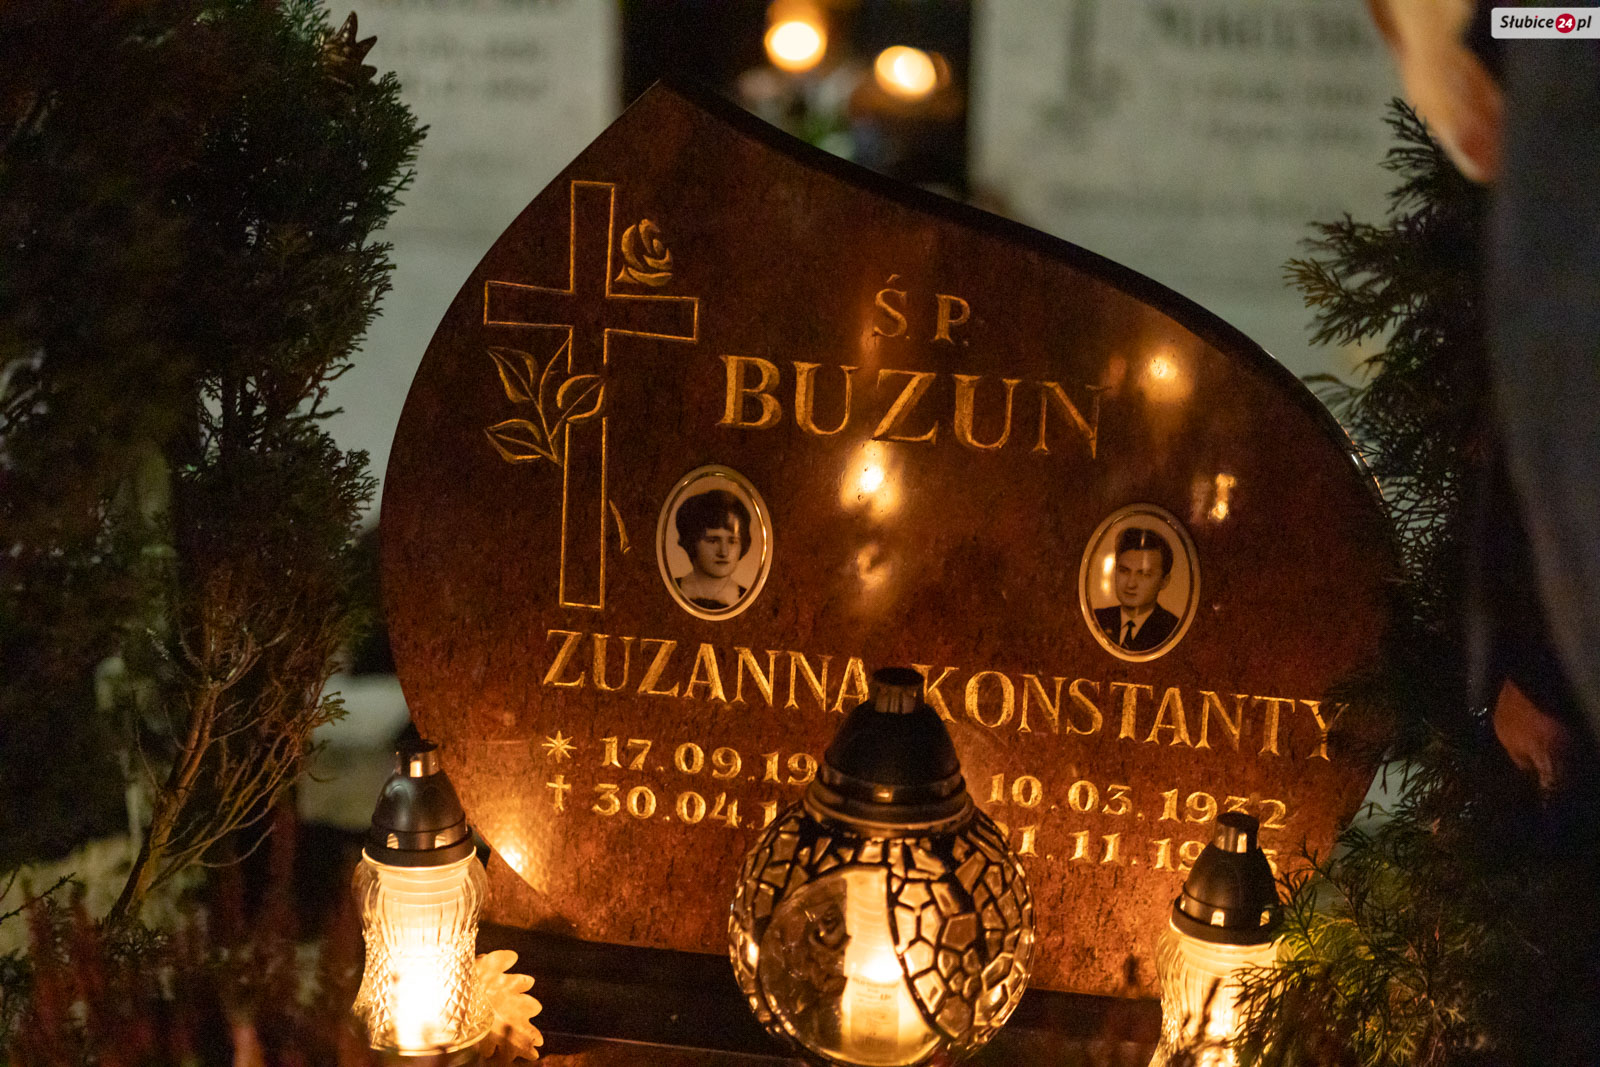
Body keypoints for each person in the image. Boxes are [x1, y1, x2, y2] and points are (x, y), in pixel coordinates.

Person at [1093, 526, 1179, 652]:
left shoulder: (1172, 629)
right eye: (1124, 571)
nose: (1131, 584)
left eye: (1144, 574)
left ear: (1164, 581)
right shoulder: (1097, 619)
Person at [673, 488, 752, 610]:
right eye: (713, 540)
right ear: (691, 542)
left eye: (732, 541)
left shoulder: (747, 597)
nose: (723, 552)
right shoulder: (672, 589)